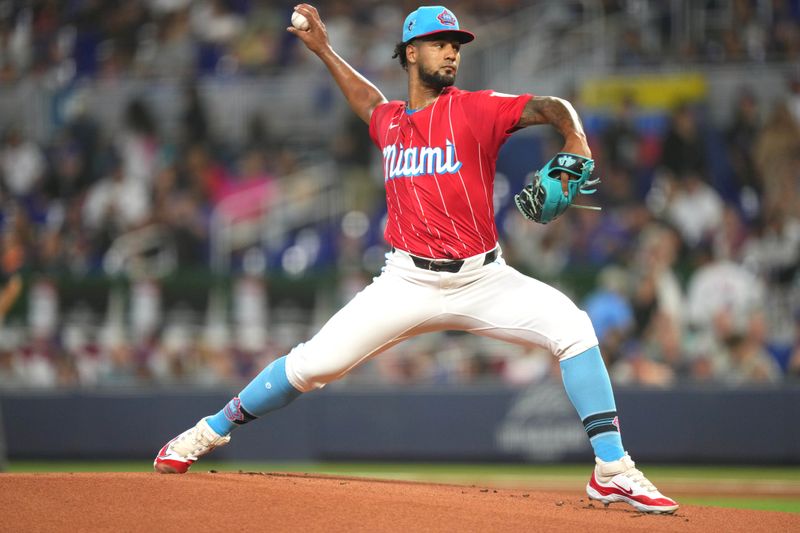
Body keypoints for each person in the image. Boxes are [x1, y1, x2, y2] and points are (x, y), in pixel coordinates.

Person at [154, 5, 678, 514]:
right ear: (410, 53)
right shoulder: (390, 123)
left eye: (455, 45)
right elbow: (368, 103)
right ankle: (207, 431)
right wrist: (324, 49)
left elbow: (551, 106)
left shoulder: (476, 108)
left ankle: (611, 469)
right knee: (313, 365)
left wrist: (577, 138)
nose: (451, 53)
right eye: (438, 43)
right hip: (405, 282)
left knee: (574, 326)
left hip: (483, 277)